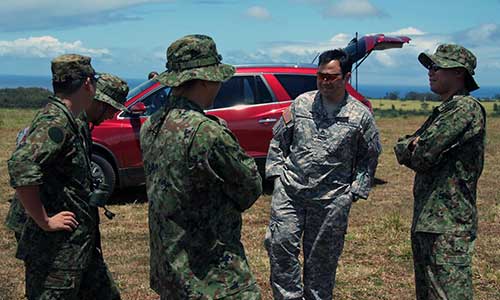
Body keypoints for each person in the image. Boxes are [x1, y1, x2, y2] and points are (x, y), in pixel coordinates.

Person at [140, 34, 263, 300]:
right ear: (207, 79)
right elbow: (249, 189)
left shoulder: (151, 125)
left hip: (170, 267)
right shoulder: (207, 132)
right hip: (211, 273)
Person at [265, 49, 381, 300]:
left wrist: (352, 194)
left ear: (346, 77)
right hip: (291, 193)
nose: (325, 82)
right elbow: (278, 142)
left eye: (331, 77)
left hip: (331, 200)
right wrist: (276, 179)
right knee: (279, 248)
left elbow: (369, 157)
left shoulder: (360, 116)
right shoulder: (301, 104)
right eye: (321, 76)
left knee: (321, 263)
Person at [7, 54, 121, 300]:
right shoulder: (56, 121)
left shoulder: (72, 119)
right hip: (55, 246)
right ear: (89, 83)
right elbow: (22, 165)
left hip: (77, 238)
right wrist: (44, 220)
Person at [394, 44, 486, 300]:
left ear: (459, 73)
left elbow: (422, 154)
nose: (430, 72)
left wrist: (412, 145)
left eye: (437, 67)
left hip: (448, 224)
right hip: (431, 220)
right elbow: (407, 146)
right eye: (430, 67)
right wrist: (409, 145)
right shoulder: (447, 110)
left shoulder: (464, 108)